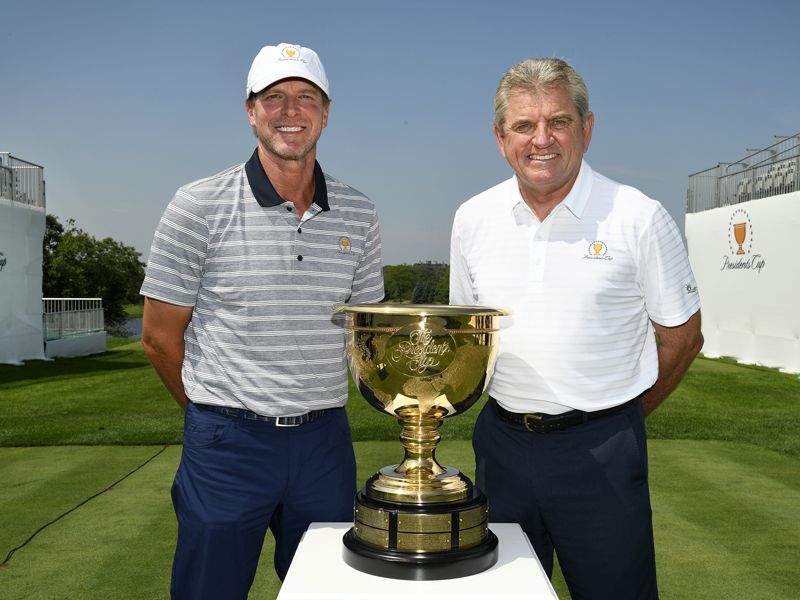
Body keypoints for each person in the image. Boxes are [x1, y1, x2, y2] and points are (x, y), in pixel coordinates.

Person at [449, 57, 703, 599]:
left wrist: (624, 414)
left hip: (603, 452)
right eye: (523, 125)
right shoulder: (472, 218)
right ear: (500, 138)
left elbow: (683, 337)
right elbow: (467, 340)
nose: (541, 139)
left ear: (586, 129)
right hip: (502, 449)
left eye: (558, 121)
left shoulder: (638, 216)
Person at [140, 42, 384, 599]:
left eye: (305, 97)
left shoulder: (360, 212)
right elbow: (157, 338)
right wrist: (215, 414)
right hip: (227, 443)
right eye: (274, 98)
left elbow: (365, 336)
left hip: (324, 443)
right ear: (250, 110)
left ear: (326, 112)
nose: (290, 111)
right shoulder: (196, 204)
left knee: (327, 590)